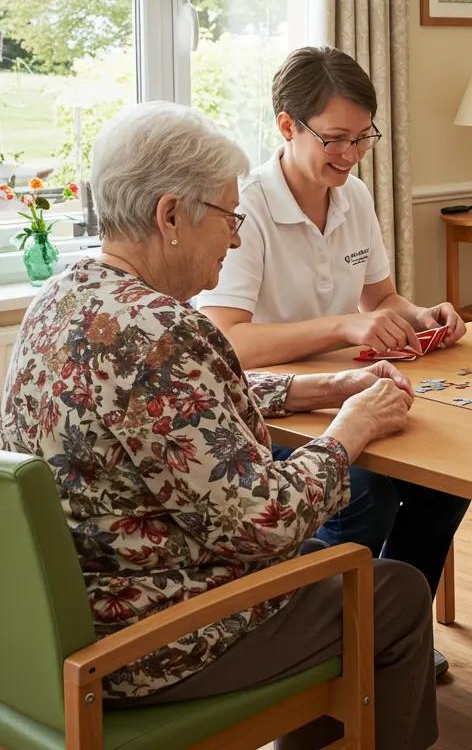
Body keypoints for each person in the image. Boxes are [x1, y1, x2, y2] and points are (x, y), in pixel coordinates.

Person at [0, 102, 437, 750]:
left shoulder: (65, 296)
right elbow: (266, 522)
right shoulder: (162, 330)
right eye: (230, 219)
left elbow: (169, 411)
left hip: (51, 626)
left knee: (329, 566)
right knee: (394, 591)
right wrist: (349, 429)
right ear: (170, 215)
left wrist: (309, 387)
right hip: (142, 638)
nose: (235, 239)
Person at [197, 47, 469, 671]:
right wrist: (345, 324)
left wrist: (421, 314)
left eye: (362, 137)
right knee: (364, 486)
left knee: (443, 483)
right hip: (266, 409)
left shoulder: (355, 196)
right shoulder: (246, 206)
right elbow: (227, 340)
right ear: (287, 126)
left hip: (347, 391)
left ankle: (392, 632)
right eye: (335, 138)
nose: (349, 154)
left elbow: (380, 297)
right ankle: (329, 647)